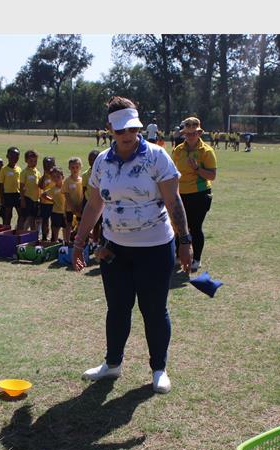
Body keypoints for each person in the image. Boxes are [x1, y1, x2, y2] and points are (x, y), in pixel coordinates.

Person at [72, 96, 193, 394]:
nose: (128, 136)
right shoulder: (102, 161)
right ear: (110, 129)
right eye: (121, 131)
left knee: (153, 310)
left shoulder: (156, 157)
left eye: (133, 129)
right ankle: (112, 364)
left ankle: (158, 369)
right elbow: (94, 204)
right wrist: (78, 241)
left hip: (155, 248)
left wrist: (185, 241)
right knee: (117, 309)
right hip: (115, 250)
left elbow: (173, 200)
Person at [172, 117, 217, 273]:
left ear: (199, 133)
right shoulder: (177, 151)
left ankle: (196, 258)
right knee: (178, 226)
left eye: (194, 133)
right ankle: (179, 256)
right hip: (180, 194)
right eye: (188, 133)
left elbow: (212, 176)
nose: (190, 136)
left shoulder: (207, 151)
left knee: (195, 228)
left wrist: (197, 169)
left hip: (199, 195)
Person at [41, 167, 69, 242]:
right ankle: (55, 244)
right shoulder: (53, 189)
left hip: (65, 212)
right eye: (53, 177)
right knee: (55, 229)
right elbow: (43, 195)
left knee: (66, 229)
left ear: (62, 177)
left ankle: (66, 243)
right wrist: (52, 200)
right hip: (56, 212)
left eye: (58, 176)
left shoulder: (66, 186)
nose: (56, 179)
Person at [0, 147, 22, 230]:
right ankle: (6, 231)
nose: (14, 158)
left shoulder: (19, 169)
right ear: (7, 156)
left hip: (17, 194)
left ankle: (19, 230)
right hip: (7, 195)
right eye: (12, 156)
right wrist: (2, 198)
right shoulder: (4, 170)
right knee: (8, 215)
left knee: (21, 214)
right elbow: (1, 185)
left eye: (16, 156)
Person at [19, 150, 41, 233]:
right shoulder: (24, 172)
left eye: (35, 161)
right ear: (26, 161)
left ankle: (33, 235)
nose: (33, 163)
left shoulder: (37, 172)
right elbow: (21, 187)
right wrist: (22, 199)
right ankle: (20, 233)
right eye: (31, 161)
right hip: (27, 198)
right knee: (23, 218)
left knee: (33, 219)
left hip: (35, 200)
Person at [64, 157, 84, 239]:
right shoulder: (67, 181)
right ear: (69, 168)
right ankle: (67, 241)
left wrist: (80, 206)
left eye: (77, 167)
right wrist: (72, 207)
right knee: (68, 224)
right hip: (69, 208)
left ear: (80, 167)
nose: (75, 169)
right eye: (72, 167)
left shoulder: (82, 180)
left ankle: (77, 239)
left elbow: (83, 194)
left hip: (79, 207)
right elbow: (66, 194)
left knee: (80, 223)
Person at [37, 156, 56, 241]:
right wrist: (44, 175)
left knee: (54, 222)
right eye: (46, 165)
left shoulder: (56, 175)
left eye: (50, 165)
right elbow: (40, 186)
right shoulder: (44, 177)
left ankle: (53, 238)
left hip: (55, 203)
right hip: (45, 203)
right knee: (45, 221)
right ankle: (44, 237)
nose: (48, 167)